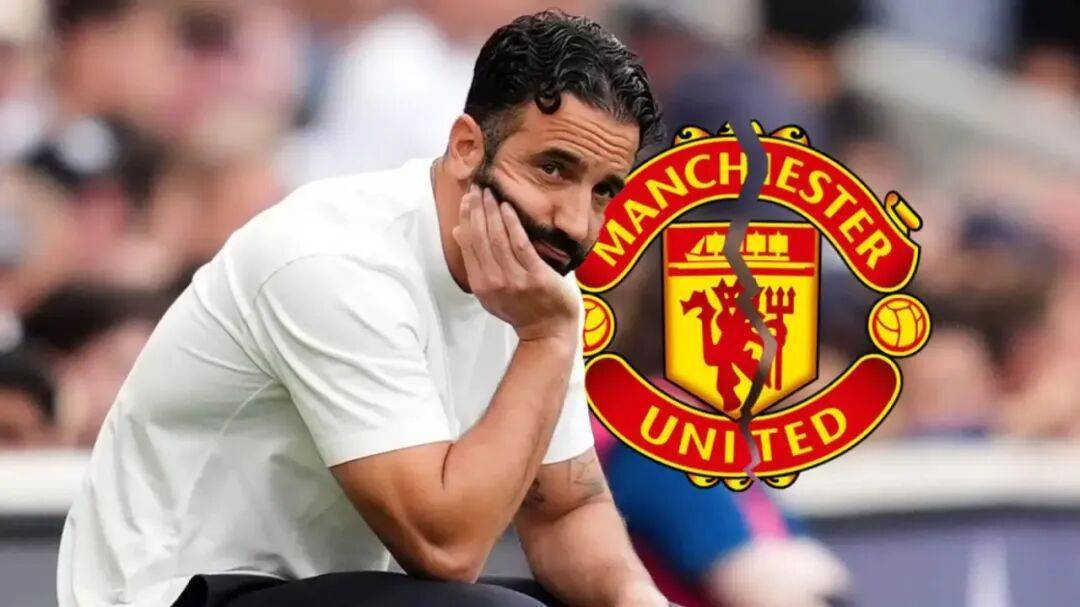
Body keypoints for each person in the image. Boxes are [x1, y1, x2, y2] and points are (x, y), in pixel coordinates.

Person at [57, 10, 673, 607]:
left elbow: (566, 508)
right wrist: (545, 341)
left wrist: (640, 600)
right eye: (552, 169)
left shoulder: (536, 283)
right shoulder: (334, 259)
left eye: (603, 191)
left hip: (326, 588)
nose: (575, 222)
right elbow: (446, 548)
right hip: (173, 590)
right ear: (466, 147)